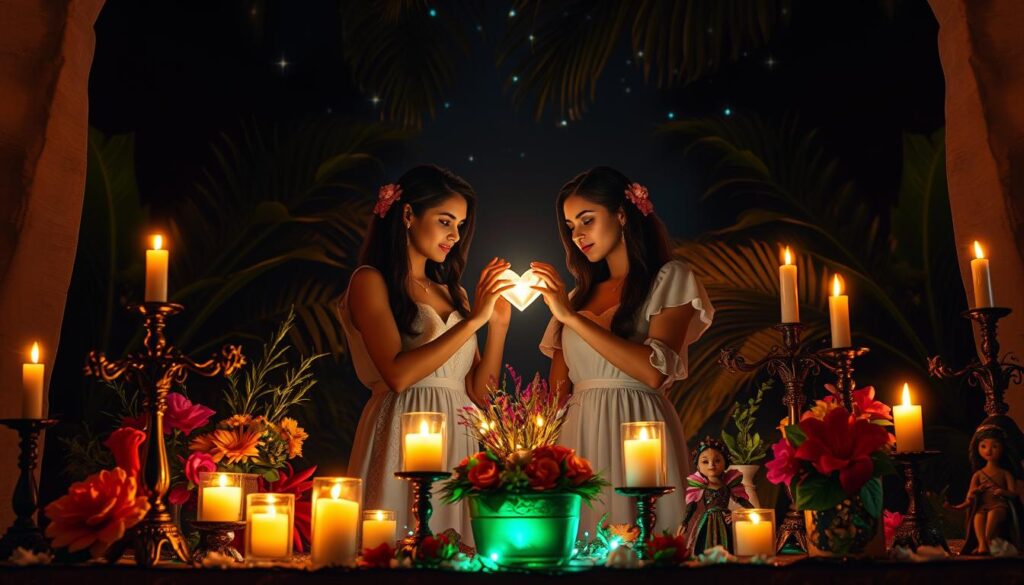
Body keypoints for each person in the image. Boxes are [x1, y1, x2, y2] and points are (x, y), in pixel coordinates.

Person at [534, 166, 714, 536]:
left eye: (587, 220)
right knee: (580, 546)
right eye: (570, 227)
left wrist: (572, 318)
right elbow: (556, 396)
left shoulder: (670, 278)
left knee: (648, 542)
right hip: (578, 436)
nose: (578, 234)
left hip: (641, 430)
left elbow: (653, 372)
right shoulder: (574, 298)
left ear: (621, 213)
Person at [339, 165, 514, 544]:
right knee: (393, 549)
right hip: (403, 426)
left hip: (459, 436)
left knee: (456, 552)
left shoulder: (455, 293)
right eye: (445, 221)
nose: (455, 235)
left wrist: (497, 324)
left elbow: (481, 394)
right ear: (407, 215)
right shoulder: (370, 281)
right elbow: (397, 375)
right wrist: (473, 322)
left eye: (461, 225)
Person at [948, 424, 1023, 555]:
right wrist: (976, 491)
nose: (988, 451)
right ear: (977, 448)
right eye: (983, 446)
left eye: (994, 446)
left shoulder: (1005, 474)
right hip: (982, 506)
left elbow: (1014, 494)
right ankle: (982, 544)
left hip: (999, 506)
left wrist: (1003, 492)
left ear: (1003, 448)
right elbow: (970, 496)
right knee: (978, 517)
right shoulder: (978, 474)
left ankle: (988, 542)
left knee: (993, 517)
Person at [680, 437, 753, 556]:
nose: (711, 465)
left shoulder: (730, 483)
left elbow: (745, 503)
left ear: (725, 463)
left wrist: (742, 515)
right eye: (705, 461)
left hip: (726, 521)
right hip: (707, 521)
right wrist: (684, 522)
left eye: (717, 461)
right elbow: (692, 505)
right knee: (703, 545)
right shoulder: (699, 485)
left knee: (731, 546)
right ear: (697, 466)